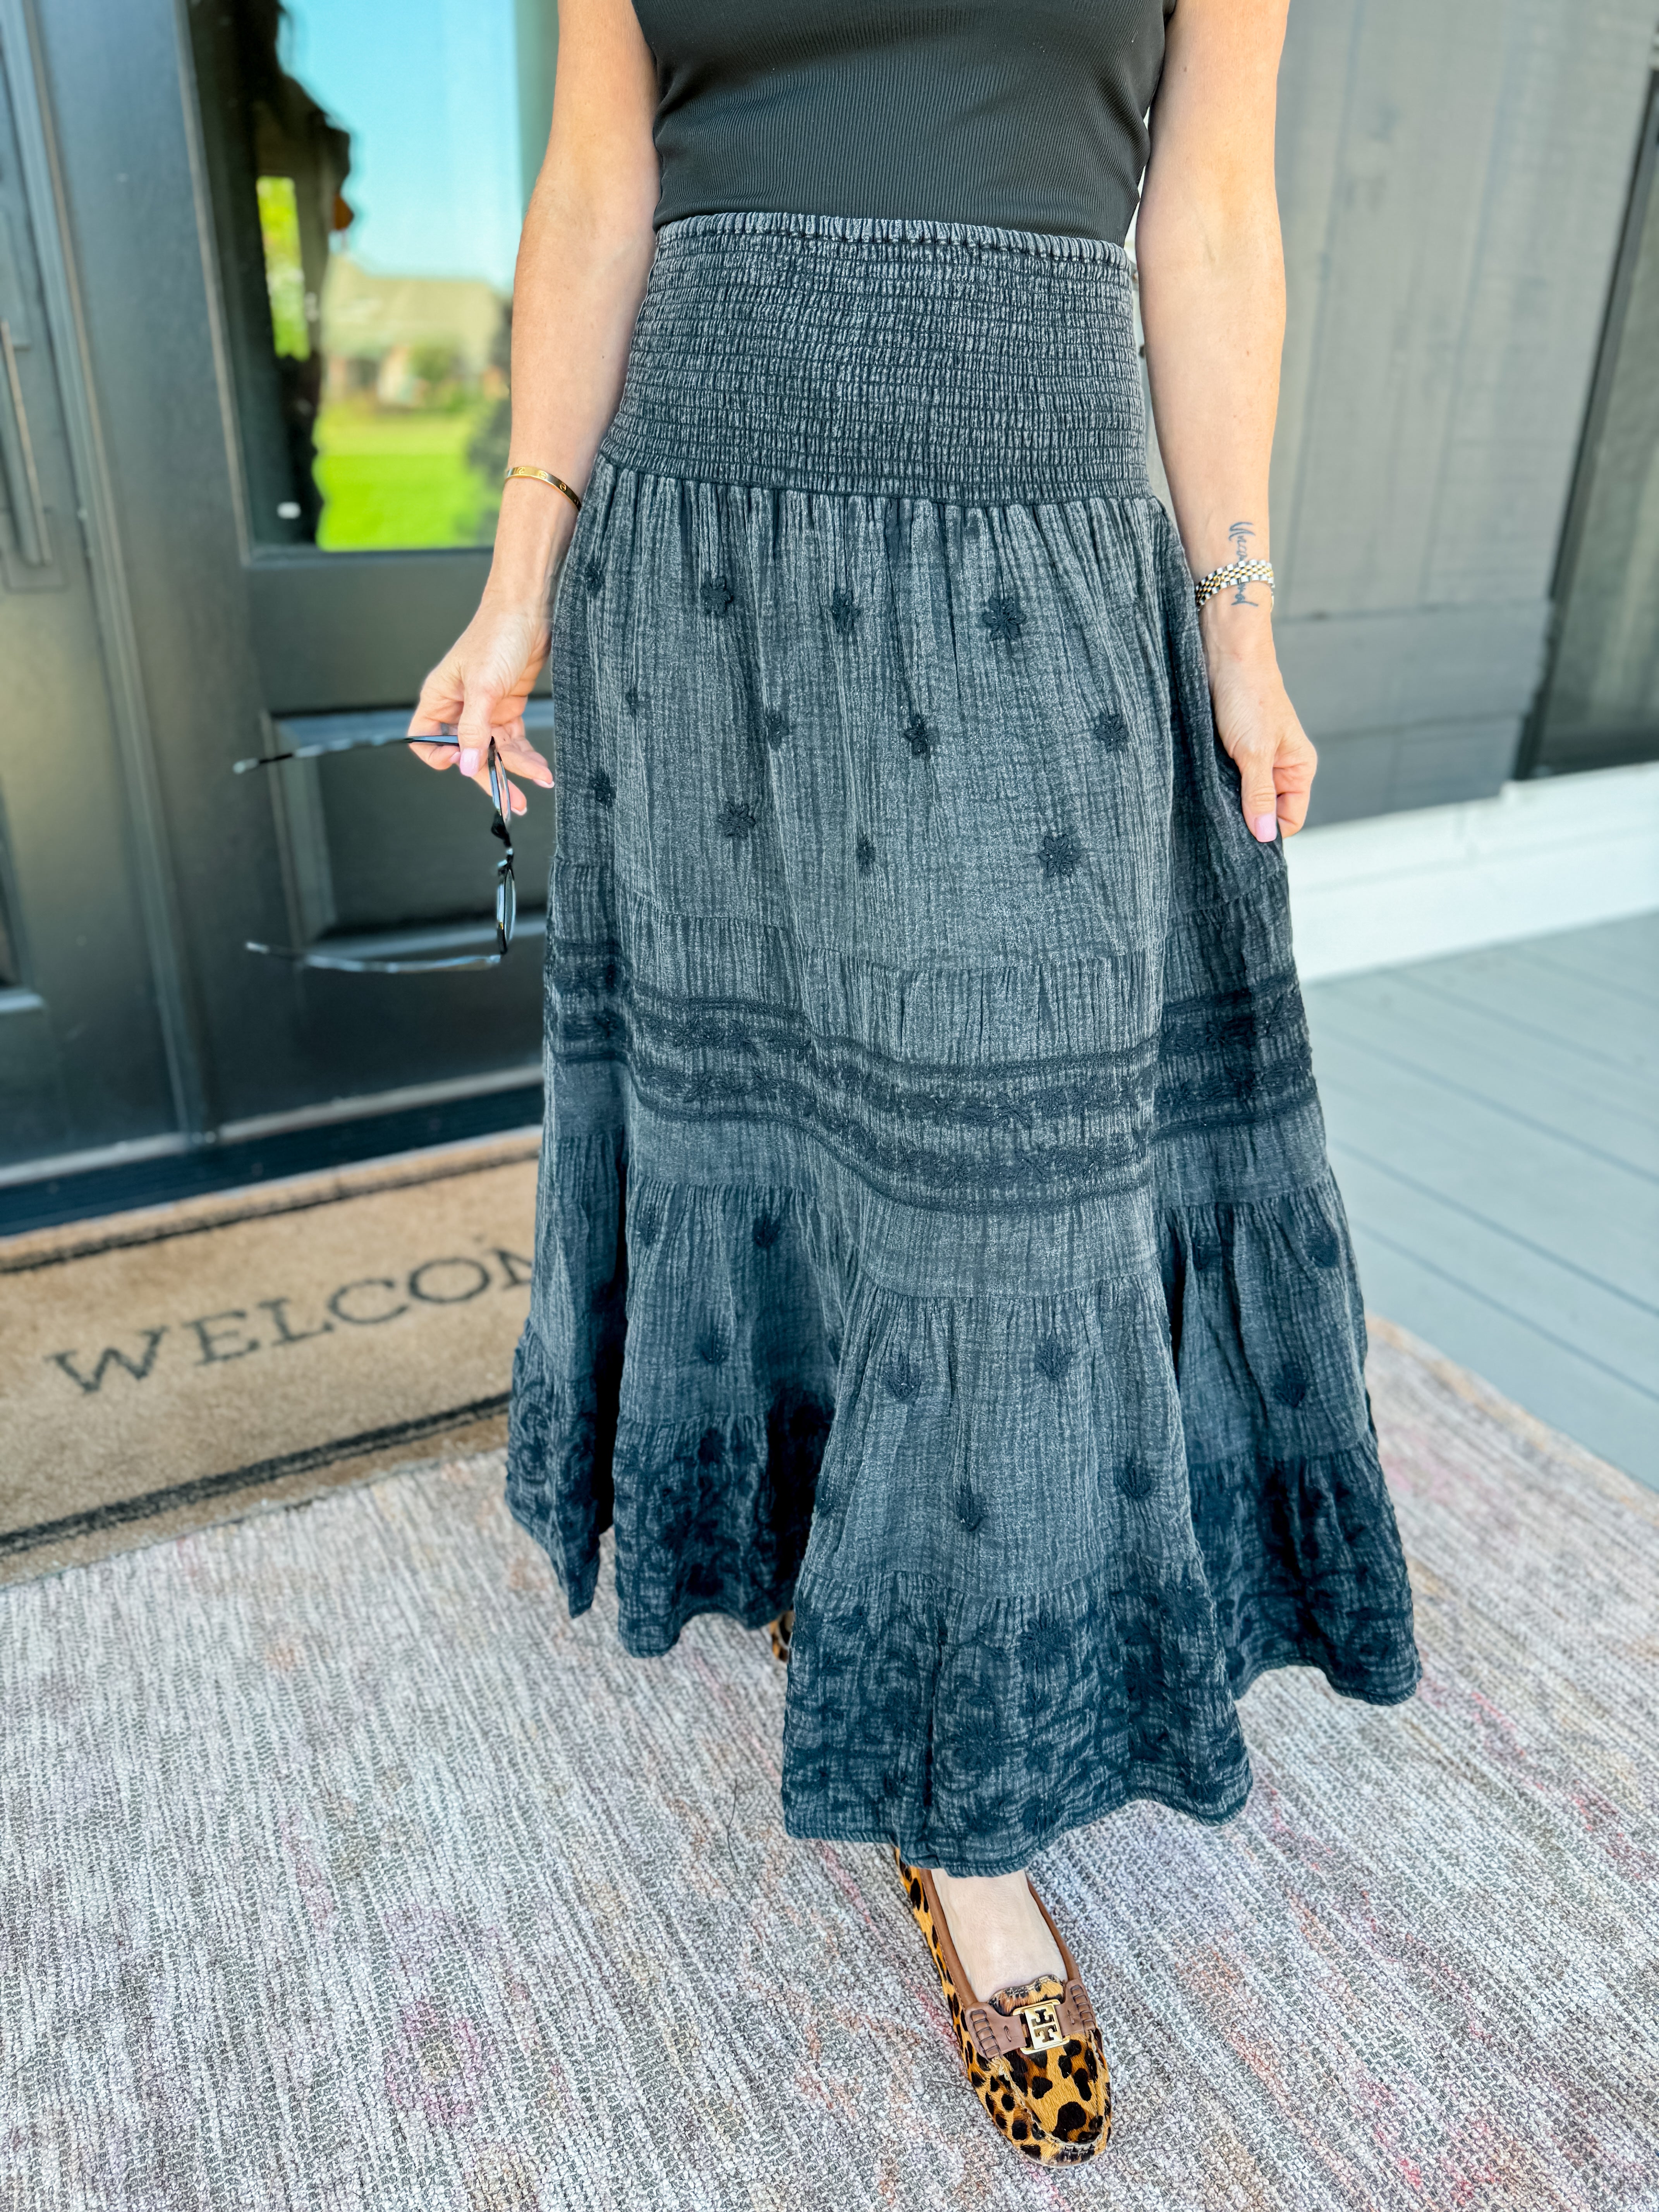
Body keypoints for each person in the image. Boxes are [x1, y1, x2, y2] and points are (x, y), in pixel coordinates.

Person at [409, 0, 1421, 2165]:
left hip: (1025, 531)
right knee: (775, 1126)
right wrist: (519, 581)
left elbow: (1208, 213)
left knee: (999, 1202)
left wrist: (1239, 620)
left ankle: (968, 1827)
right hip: (701, 541)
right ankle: (828, 1577)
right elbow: (600, 180)